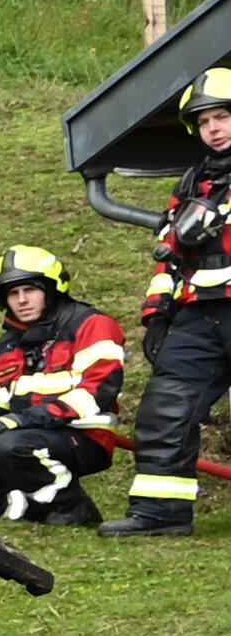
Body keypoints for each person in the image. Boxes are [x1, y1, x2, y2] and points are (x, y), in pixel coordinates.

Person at [0, 246, 132, 523]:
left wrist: (23, 419)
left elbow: (97, 391)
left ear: (52, 289)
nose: (21, 300)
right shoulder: (5, 347)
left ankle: (73, 507)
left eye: (29, 290)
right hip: (17, 438)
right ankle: (27, 509)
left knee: (6, 447)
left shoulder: (92, 325)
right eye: (12, 294)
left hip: (84, 437)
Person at [125, 64, 231, 537]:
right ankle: (160, 515)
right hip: (197, 318)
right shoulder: (191, 185)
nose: (214, 128)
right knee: (165, 409)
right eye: (205, 121)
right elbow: (169, 256)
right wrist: (157, 316)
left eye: (223, 116)